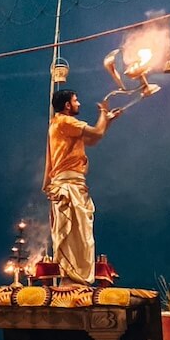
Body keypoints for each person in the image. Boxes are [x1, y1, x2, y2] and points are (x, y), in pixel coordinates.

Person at [43, 89, 120, 285]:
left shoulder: (62, 125)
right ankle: (72, 280)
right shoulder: (65, 122)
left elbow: (94, 139)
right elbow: (96, 132)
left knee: (81, 234)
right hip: (69, 186)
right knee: (73, 234)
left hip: (75, 185)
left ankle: (76, 279)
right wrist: (103, 113)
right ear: (67, 105)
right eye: (76, 101)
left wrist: (107, 121)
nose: (79, 104)